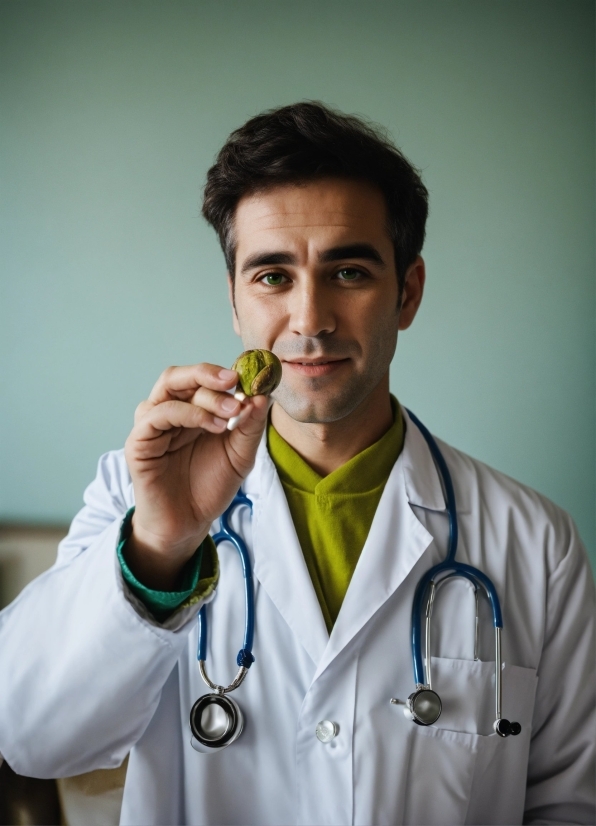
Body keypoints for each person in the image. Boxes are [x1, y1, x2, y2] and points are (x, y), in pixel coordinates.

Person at [0, 102, 594, 826]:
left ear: (407, 293)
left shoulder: (535, 542)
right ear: (235, 301)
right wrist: (161, 545)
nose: (310, 320)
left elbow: (568, 803)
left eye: (348, 271)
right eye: (273, 277)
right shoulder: (134, 495)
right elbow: (30, 739)